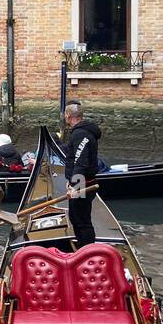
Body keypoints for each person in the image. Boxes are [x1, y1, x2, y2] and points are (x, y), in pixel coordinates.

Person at [64, 102, 101, 246]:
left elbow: (81, 162)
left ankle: (87, 251)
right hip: (81, 182)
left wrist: (75, 185)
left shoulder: (80, 134)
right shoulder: (81, 132)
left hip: (83, 184)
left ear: (68, 115)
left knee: (81, 219)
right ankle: (83, 248)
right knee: (75, 217)